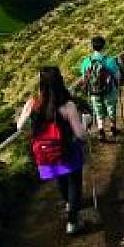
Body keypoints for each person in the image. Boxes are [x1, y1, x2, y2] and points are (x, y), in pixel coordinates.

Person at [17, 66, 87, 235]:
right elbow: (80, 135)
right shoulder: (67, 106)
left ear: (41, 83)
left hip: (45, 153)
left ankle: (69, 205)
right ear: (60, 81)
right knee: (74, 183)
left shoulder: (32, 103)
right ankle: (72, 222)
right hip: (68, 150)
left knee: (61, 179)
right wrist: (85, 122)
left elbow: (20, 127)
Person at [80, 35, 121, 142]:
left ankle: (101, 131)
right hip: (109, 90)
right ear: (103, 46)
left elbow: (84, 76)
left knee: (98, 111)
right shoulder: (110, 60)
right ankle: (112, 128)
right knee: (111, 108)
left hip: (94, 91)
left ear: (92, 47)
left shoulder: (86, 61)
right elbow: (117, 76)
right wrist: (116, 85)